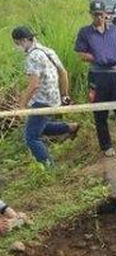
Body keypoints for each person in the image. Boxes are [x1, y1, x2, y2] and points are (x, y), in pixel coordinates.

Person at [75, 0, 116, 157]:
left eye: (101, 15)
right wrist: (96, 57)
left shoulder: (115, 31)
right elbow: (81, 53)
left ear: (106, 14)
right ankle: (106, 146)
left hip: (114, 74)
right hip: (97, 76)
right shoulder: (85, 32)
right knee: (100, 113)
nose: (99, 18)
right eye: (95, 15)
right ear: (91, 14)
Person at [12, 26, 79, 165]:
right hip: (54, 98)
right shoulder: (48, 51)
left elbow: (34, 84)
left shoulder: (32, 56)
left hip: (42, 100)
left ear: (24, 41)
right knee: (40, 124)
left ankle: (49, 166)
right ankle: (71, 127)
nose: (18, 47)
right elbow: (63, 73)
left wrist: (22, 104)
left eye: (17, 44)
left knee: (31, 137)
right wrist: (64, 96)